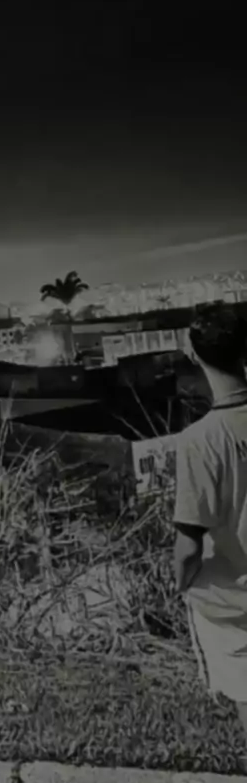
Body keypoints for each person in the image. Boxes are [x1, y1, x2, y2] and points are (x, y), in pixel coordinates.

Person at [174, 303, 247, 745]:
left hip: (231, 602)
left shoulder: (199, 441)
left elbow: (188, 548)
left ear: (193, 353)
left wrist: (180, 584)